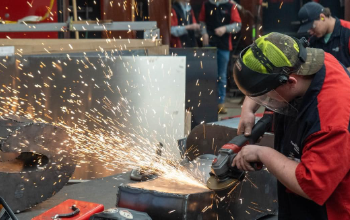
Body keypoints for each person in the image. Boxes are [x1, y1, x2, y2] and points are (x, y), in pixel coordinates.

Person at [232, 32, 350, 219]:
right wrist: (248, 108)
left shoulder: (330, 122)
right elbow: (268, 65)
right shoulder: (306, 61)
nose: (264, 101)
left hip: (327, 211)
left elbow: (311, 186)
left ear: (290, 82)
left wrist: (262, 153)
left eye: (265, 97)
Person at [199, 0, 242, 114]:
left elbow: (238, 25)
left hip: (224, 45)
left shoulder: (230, 5)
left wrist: (225, 29)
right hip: (209, 44)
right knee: (207, 74)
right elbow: (202, 21)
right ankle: (206, 102)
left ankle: (220, 103)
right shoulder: (207, 4)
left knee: (221, 75)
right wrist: (204, 33)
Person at [298, 2, 350, 72]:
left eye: (312, 27)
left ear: (322, 17)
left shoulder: (347, 31)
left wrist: (336, 75)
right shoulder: (312, 40)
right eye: (308, 29)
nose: (310, 32)